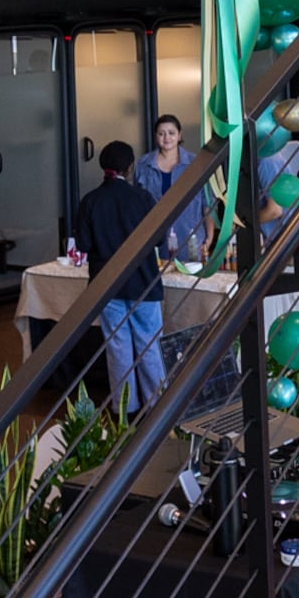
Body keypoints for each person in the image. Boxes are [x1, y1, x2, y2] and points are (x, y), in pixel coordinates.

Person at [74, 141, 168, 411]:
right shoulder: (142, 198)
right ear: (130, 167)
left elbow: (82, 245)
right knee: (149, 345)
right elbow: (160, 238)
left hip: (107, 286)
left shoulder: (90, 200)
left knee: (117, 347)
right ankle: (157, 406)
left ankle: (124, 408)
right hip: (144, 282)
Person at [136, 113, 207, 264]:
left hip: (190, 238)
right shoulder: (143, 164)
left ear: (180, 135)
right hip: (154, 238)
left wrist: (210, 236)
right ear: (156, 136)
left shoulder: (195, 163)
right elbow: (136, 204)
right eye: (161, 134)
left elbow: (207, 203)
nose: (166, 138)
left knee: (190, 279)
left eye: (171, 133)